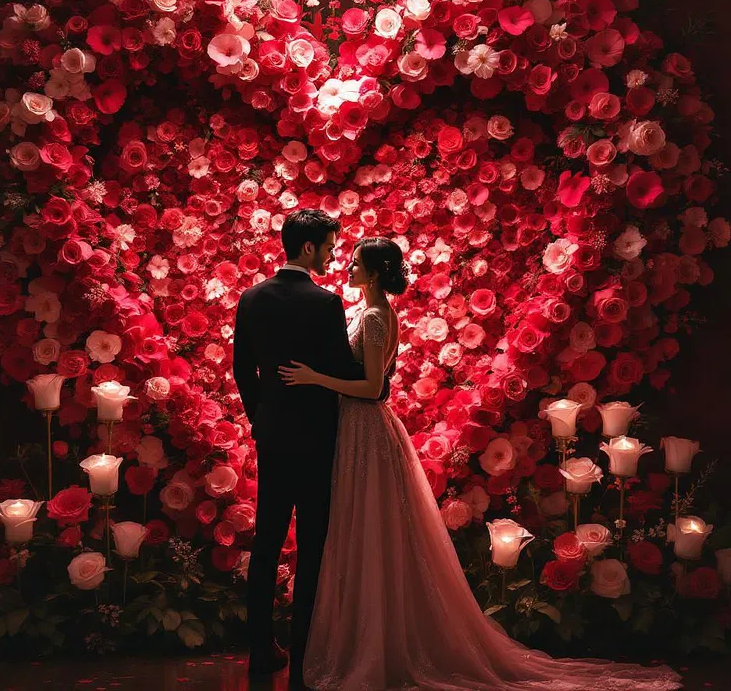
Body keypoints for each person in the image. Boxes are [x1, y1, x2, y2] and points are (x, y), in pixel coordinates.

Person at [279, 236, 682, 691]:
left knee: (371, 528)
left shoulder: (374, 316)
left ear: (372, 273)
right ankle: (370, 638)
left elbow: (373, 387)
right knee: (368, 529)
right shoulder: (368, 313)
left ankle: (376, 644)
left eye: (354, 263)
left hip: (366, 425)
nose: (346, 267)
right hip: (359, 429)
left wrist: (315, 379)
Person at [233, 209, 369, 685]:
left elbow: (241, 371)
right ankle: (304, 653)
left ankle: (259, 651)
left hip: (272, 435)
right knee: (311, 545)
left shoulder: (251, 299)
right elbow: (342, 369)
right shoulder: (325, 302)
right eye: (329, 246)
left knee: (267, 541)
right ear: (308, 248)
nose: (332, 254)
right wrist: (376, 374)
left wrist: (261, 417)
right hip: (317, 437)